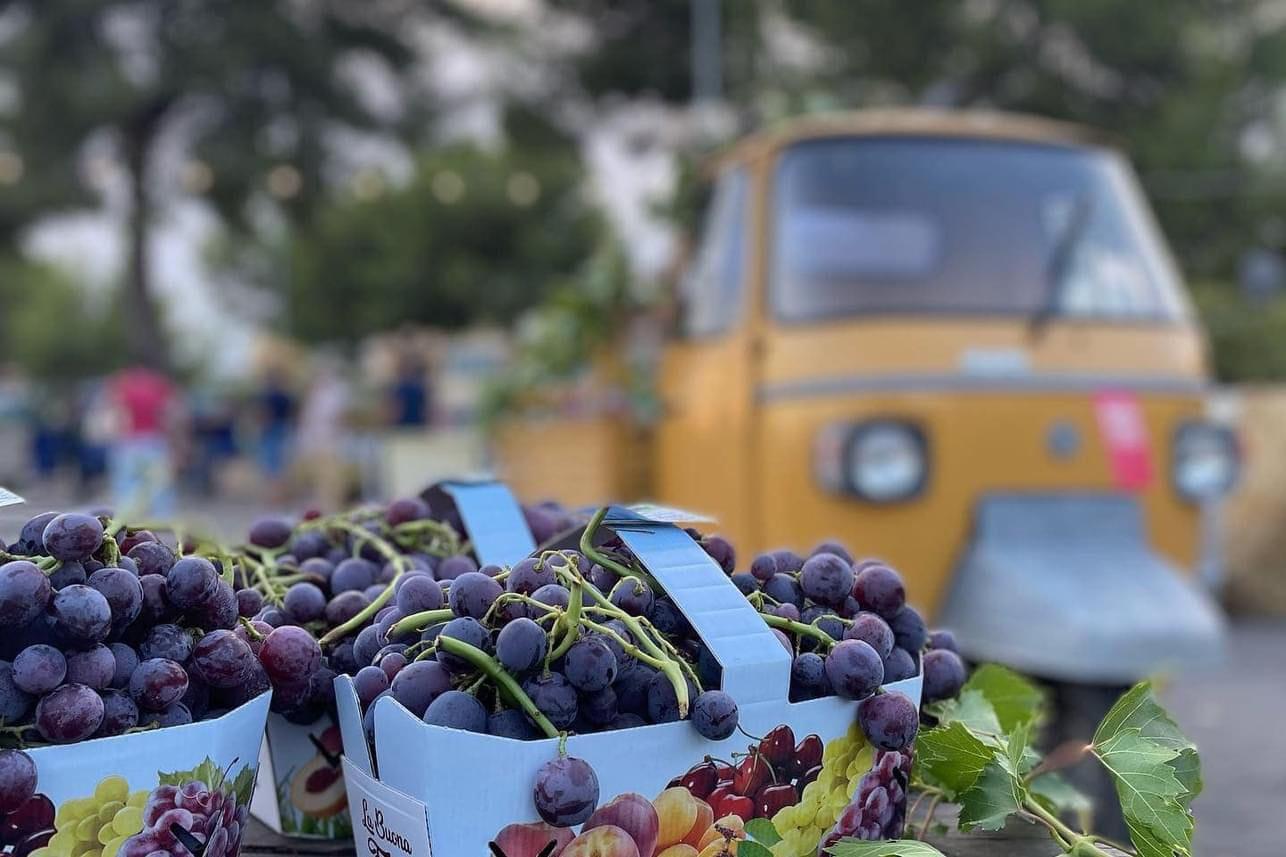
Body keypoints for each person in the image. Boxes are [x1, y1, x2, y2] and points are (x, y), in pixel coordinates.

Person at [104, 365, 180, 517]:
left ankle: (126, 524)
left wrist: (115, 437)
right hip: (154, 440)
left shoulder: (122, 383)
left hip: (129, 442)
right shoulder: (159, 385)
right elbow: (169, 415)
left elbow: (118, 414)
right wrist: (175, 443)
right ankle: (162, 524)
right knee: (159, 487)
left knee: (126, 488)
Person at [256, 371, 296, 503]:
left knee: (272, 466)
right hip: (283, 429)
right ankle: (280, 496)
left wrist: (262, 426)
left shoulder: (269, 395)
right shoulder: (287, 396)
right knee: (281, 464)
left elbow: (266, 413)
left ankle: (273, 497)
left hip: (272, 430)